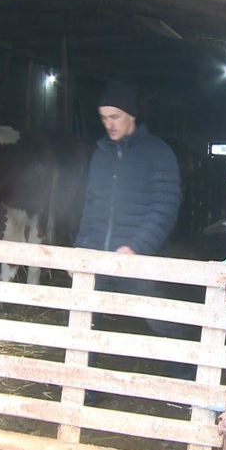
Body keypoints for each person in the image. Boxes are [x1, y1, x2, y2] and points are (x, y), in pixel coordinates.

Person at [74, 81, 184, 402]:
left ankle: (187, 383)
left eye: (115, 117)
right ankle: (84, 390)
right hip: (99, 254)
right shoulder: (100, 155)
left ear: (132, 115)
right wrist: (81, 249)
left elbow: (165, 208)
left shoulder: (158, 155)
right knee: (85, 319)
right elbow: (90, 204)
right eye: (104, 117)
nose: (109, 124)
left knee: (160, 317)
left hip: (137, 257)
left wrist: (136, 246)